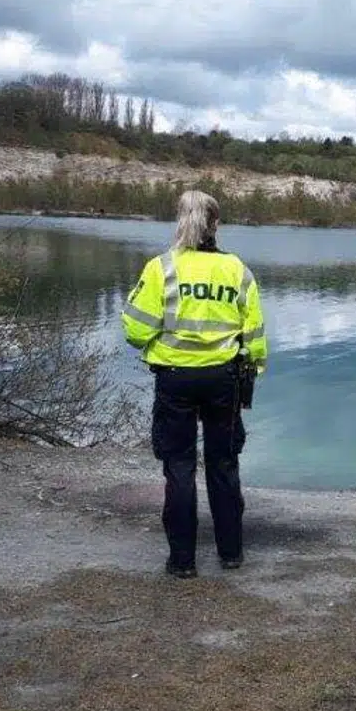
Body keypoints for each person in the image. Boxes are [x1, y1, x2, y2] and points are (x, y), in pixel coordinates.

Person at [122, 190, 268, 578]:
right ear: (215, 224)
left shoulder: (161, 268)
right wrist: (253, 367)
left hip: (175, 379)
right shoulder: (237, 270)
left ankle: (182, 560)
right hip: (224, 379)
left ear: (179, 221)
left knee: (179, 466)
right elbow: (254, 332)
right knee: (223, 463)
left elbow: (135, 330)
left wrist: (161, 341)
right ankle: (231, 552)